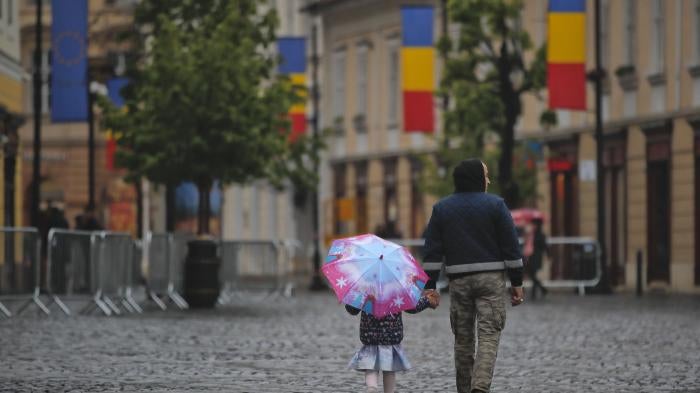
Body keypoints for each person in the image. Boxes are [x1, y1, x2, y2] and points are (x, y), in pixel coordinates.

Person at [422, 158, 524, 393]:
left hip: (459, 281)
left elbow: (433, 251)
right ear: (477, 178)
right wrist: (516, 282)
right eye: (486, 175)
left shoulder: (442, 208)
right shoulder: (496, 205)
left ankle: (465, 390)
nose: (488, 180)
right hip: (491, 280)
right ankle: (480, 386)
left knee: (463, 338)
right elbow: (511, 246)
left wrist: (430, 285)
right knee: (489, 334)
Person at [345, 291, 439, 393]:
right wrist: (427, 300)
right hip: (390, 337)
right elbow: (412, 307)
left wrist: (350, 299)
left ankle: (371, 388)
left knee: (370, 368)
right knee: (389, 369)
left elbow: (352, 310)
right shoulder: (396, 289)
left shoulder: (364, 289)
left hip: (370, 337)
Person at [527, 218, 548, 300]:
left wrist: (548, 255)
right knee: (531, 274)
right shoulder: (531, 234)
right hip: (530, 256)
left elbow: (544, 246)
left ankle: (534, 294)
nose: (533, 226)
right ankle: (542, 289)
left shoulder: (541, 235)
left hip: (537, 257)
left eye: (534, 224)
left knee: (533, 275)